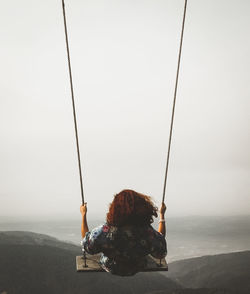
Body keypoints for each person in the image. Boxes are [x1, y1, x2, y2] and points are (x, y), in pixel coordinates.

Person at [80, 189, 167, 276]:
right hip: (136, 266)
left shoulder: (105, 231)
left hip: (111, 266)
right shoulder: (147, 233)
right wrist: (162, 215)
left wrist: (83, 215)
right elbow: (160, 251)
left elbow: (87, 245)